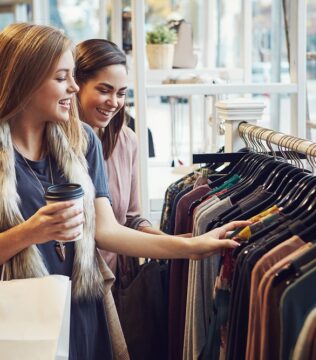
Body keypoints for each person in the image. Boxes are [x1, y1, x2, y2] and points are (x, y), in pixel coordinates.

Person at [0, 23, 248, 360]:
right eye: (61, 78)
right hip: (20, 319)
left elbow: (108, 231)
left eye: (73, 75)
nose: (73, 87)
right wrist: (31, 232)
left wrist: (192, 246)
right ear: (24, 80)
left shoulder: (82, 142)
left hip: (83, 311)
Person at [75, 38, 165, 274]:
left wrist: (168, 239)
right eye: (104, 90)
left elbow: (131, 218)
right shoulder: (51, 142)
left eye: (121, 93)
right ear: (77, 84)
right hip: (65, 283)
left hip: (112, 280)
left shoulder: (127, 141)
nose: (114, 102)